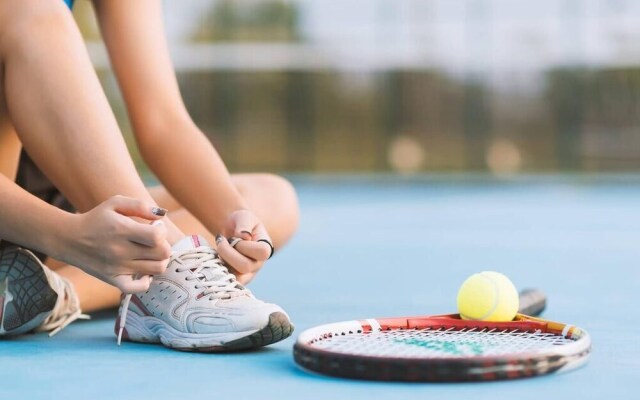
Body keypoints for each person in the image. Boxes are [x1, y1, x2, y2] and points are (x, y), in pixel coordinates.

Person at [0, 0, 299, 350]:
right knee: (30, 9)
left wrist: (230, 218)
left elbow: (163, 122)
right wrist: (64, 236)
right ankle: (168, 267)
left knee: (271, 198)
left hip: (47, 199)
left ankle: (53, 293)